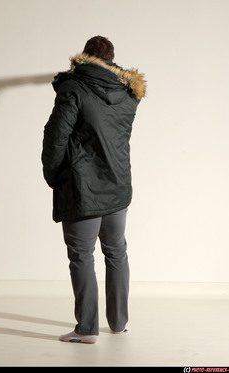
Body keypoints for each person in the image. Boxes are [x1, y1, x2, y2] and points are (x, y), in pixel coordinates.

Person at [41, 36, 146, 344]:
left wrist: (53, 174)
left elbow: (55, 137)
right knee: (116, 252)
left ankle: (86, 329)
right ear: (112, 60)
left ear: (85, 57)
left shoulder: (74, 89)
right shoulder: (128, 94)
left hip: (82, 188)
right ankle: (118, 323)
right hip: (118, 186)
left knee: (81, 255)